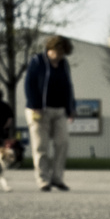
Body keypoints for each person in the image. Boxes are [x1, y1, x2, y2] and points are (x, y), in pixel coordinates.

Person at [23, 35, 75, 191]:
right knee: (41, 146)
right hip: (39, 110)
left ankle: (57, 178)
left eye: (63, 54)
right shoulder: (37, 61)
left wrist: (71, 107)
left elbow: (68, 86)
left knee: (62, 143)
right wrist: (34, 104)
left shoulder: (64, 65)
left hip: (59, 110)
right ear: (50, 49)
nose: (60, 56)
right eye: (58, 52)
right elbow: (29, 84)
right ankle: (43, 180)